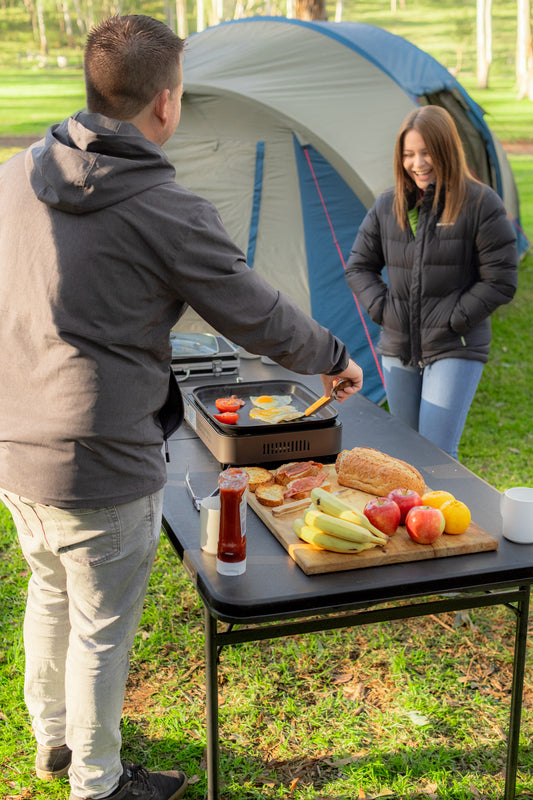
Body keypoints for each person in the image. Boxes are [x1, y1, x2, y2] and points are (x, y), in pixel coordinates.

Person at [0, 14, 364, 800]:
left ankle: (54, 740)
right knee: (99, 627)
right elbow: (255, 312)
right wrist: (332, 358)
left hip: (14, 448)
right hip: (98, 456)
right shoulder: (164, 207)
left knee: (49, 591)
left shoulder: (15, 173)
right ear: (166, 103)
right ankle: (97, 783)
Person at [344, 105, 518, 459]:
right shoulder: (387, 206)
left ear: (446, 150)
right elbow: (359, 267)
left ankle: (443, 515)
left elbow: (500, 279)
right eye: (409, 154)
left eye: (426, 153)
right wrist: (384, 309)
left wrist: (453, 318)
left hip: (456, 343)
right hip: (399, 344)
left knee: (436, 454)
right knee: (405, 454)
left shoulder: (481, 203)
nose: (418, 163)